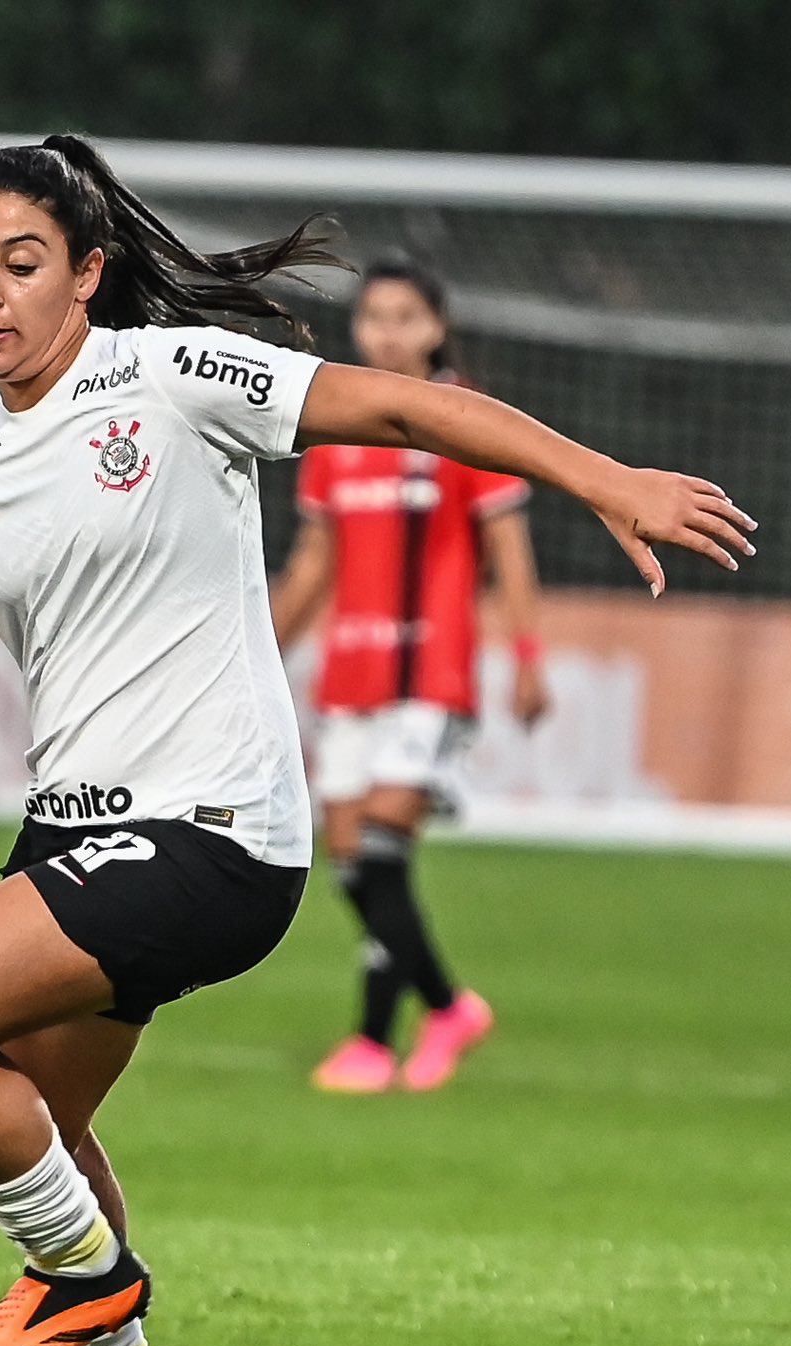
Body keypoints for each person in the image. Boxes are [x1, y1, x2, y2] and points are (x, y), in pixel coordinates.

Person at [0, 135, 752, 1346]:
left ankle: (82, 1290)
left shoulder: (174, 378)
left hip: (210, 830)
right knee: (29, 1113)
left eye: (22, 262)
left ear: (88, 273)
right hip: (72, 838)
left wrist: (610, 483)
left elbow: (407, 409)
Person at [271, 257, 550, 1093]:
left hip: (431, 672)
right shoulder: (338, 433)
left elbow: (508, 549)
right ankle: (437, 1011)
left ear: (436, 327)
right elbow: (315, 560)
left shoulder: (468, 423)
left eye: (405, 317)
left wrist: (528, 657)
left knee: (383, 843)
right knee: (357, 858)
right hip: (352, 675)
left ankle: (373, 1036)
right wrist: (262, 651)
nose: (386, 332)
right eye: (374, 317)